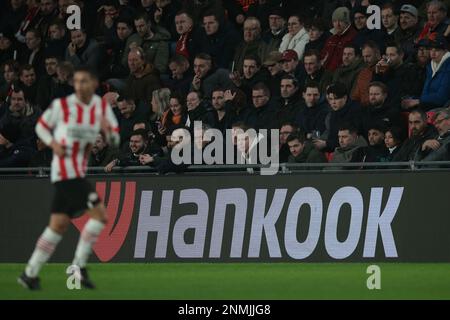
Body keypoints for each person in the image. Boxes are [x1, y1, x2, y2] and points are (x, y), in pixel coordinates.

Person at [19, 66, 120, 290]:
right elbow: (41, 127)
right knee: (100, 215)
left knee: (58, 225)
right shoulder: (61, 106)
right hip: (67, 172)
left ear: (94, 84)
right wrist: (54, 143)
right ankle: (79, 266)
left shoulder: (99, 107)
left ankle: (29, 273)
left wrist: (109, 131)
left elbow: (114, 136)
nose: (81, 85)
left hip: (73, 173)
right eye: (77, 81)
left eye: (85, 81)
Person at [403, 35, 450, 111]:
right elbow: (425, 93)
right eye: (431, 49)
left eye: (437, 50)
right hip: (428, 105)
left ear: (445, 51)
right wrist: (412, 100)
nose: (433, 53)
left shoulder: (448, 66)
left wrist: (418, 101)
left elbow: (442, 97)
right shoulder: (431, 66)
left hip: (443, 108)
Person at [321, 7, 357, 72]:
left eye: (341, 21)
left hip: (341, 75)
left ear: (347, 22)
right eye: (334, 21)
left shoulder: (353, 37)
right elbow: (322, 56)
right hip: (325, 74)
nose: (337, 24)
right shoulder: (331, 38)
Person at [351, 41, 382, 107]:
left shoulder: (383, 70)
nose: (365, 60)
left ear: (377, 54)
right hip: (361, 108)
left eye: (368, 56)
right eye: (364, 57)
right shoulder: (363, 72)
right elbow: (356, 95)